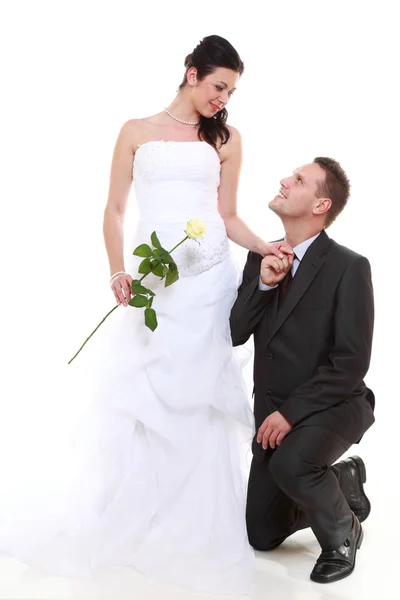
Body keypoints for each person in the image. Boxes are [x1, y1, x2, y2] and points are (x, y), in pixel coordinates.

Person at [0, 35, 289, 595]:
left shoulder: (227, 138)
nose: (223, 98)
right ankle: (136, 524)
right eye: (218, 86)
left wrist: (264, 248)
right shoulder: (135, 131)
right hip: (153, 286)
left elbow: (226, 216)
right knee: (145, 399)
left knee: (198, 400)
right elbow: (112, 210)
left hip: (207, 283)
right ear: (190, 73)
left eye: (230, 90)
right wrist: (118, 271)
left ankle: (196, 529)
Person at [230, 157, 375, 583]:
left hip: (332, 405)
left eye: (297, 180)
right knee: (260, 532)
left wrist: (291, 413)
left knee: (292, 465)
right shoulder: (262, 256)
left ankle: (343, 533)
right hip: (272, 412)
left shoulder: (349, 267)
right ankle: (343, 481)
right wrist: (263, 286)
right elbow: (236, 332)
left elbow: (350, 363)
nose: (283, 181)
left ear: (320, 204)